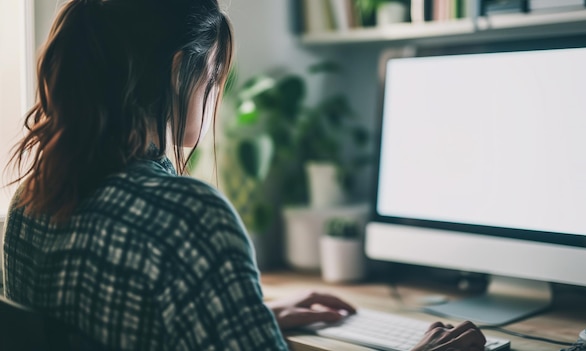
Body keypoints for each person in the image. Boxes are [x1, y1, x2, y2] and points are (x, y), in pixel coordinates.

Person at [2, 0, 486, 350]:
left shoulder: (30, 203)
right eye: (214, 75)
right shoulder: (188, 218)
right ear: (178, 73)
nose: (215, 94)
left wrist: (244, 317)